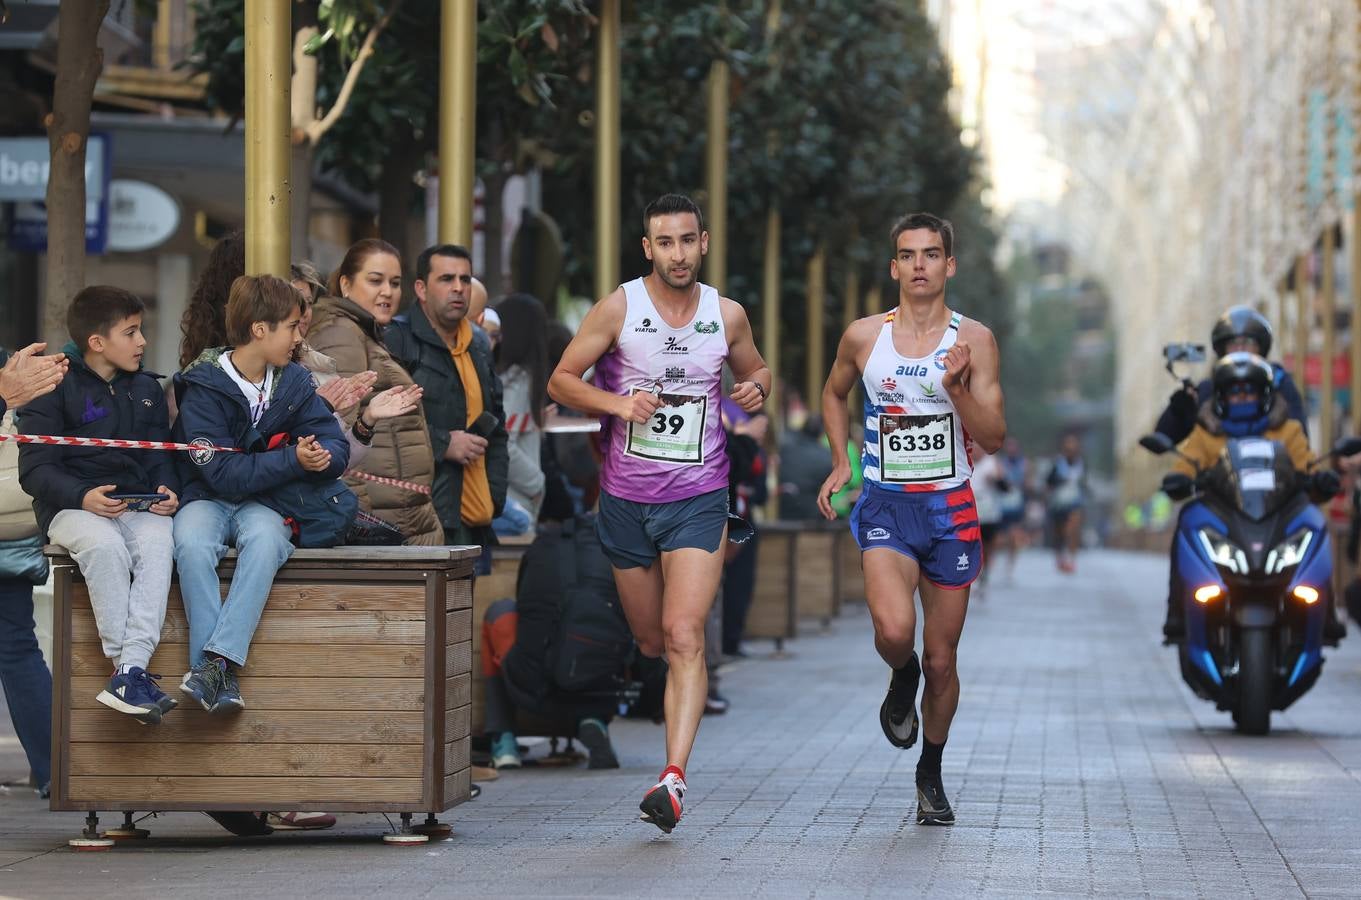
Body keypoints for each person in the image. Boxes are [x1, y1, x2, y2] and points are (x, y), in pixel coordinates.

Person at [548, 193, 771, 834]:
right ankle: (656, 699)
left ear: (704, 243)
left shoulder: (726, 315)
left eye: (687, 240)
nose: (678, 254)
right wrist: (618, 405)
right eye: (665, 243)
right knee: (650, 640)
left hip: (699, 499)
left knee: (683, 635)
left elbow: (757, 371)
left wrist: (756, 388)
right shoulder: (620, 308)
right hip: (625, 503)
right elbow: (561, 380)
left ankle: (673, 779)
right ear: (648, 248)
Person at [817, 212, 1006, 827]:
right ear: (894, 266)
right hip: (886, 506)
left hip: (951, 511)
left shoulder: (975, 340)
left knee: (943, 661)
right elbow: (833, 392)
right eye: (907, 255)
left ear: (949, 264)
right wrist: (842, 461)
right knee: (897, 632)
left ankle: (931, 770)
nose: (919, 265)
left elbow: (994, 437)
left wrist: (958, 390)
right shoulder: (863, 337)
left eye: (930, 254)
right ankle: (902, 675)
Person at [172, 274, 350, 712]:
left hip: (267, 502)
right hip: (205, 497)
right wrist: (293, 460)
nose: (299, 337)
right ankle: (217, 670)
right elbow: (220, 473)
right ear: (259, 329)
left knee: (269, 541)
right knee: (191, 543)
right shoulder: (203, 385)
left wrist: (322, 456)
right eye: (291, 326)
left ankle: (213, 665)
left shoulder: (295, 382)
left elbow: (333, 441)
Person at [19, 287, 180, 724]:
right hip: (69, 507)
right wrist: (82, 496)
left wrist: (167, 489)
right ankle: (127, 668)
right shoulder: (51, 385)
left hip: (137, 504)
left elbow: (160, 455)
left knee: (160, 542)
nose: (142, 341)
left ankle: (130, 672)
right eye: (131, 332)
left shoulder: (146, 388)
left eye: (141, 330)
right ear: (97, 342)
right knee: (104, 546)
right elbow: (34, 471)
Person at [1162, 353, 1317, 639]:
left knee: (1315, 521)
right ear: (1222, 397)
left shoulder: (1289, 430)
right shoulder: (1204, 433)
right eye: (1235, 391)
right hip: (1223, 521)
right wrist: (1179, 479)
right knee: (1187, 517)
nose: (1242, 397)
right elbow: (1185, 465)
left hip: (1277, 519)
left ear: (1264, 395)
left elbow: (1307, 464)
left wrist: (1319, 477)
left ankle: (1326, 614)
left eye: (1250, 391)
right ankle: (1177, 609)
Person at [308, 239, 444, 545]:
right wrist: (359, 520)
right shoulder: (342, 333)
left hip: (398, 512)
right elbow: (335, 439)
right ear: (346, 284)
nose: (388, 291)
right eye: (375, 280)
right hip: (383, 518)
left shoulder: (360, 331)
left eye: (394, 283)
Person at [385, 244, 508, 556]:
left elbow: (497, 425)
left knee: (468, 591)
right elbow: (380, 425)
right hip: (419, 515)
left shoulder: (479, 343)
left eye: (465, 279)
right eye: (446, 279)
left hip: (475, 513)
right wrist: (443, 444)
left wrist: (495, 498)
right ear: (421, 289)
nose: (458, 288)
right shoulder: (397, 337)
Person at [0, 343, 65, 795]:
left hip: (10, 539)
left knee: (17, 646)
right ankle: (55, 771)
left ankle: (55, 769)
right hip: (11, 533)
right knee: (18, 647)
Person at [1155, 305, 1306, 445]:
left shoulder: (1279, 383)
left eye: (1247, 342)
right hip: (1218, 463)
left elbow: (1300, 439)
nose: (1240, 349)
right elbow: (1163, 438)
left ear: (1261, 348)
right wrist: (1178, 411)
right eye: (1233, 343)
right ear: (1223, 350)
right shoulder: (1209, 388)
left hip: (1269, 461)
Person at [490, 293, 549, 537]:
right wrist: (537, 483)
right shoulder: (518, 382)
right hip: (515, 505)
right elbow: (504, 443)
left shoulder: (502, 378)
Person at [1046, 433, 1086, 573]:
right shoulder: (1057, 463)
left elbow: (1084, 482)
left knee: (1073, 529)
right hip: (1059, 503)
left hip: (1075, 501)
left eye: (1073, 445)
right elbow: (1048, 482)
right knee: (1060, 533)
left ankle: (1072, 559)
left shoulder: (1081, 463)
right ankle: (1060, 557)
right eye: (1068, 445)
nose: (1071, 448)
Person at [969, 451, 1007, 599]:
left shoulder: (993, 462)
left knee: (987, 548)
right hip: (970, 512)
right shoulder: (963, 457)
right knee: (970, 546)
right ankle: (972, 577)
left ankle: (984, 576)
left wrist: (996, 479)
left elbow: (1005, 487)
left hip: (989, 513)